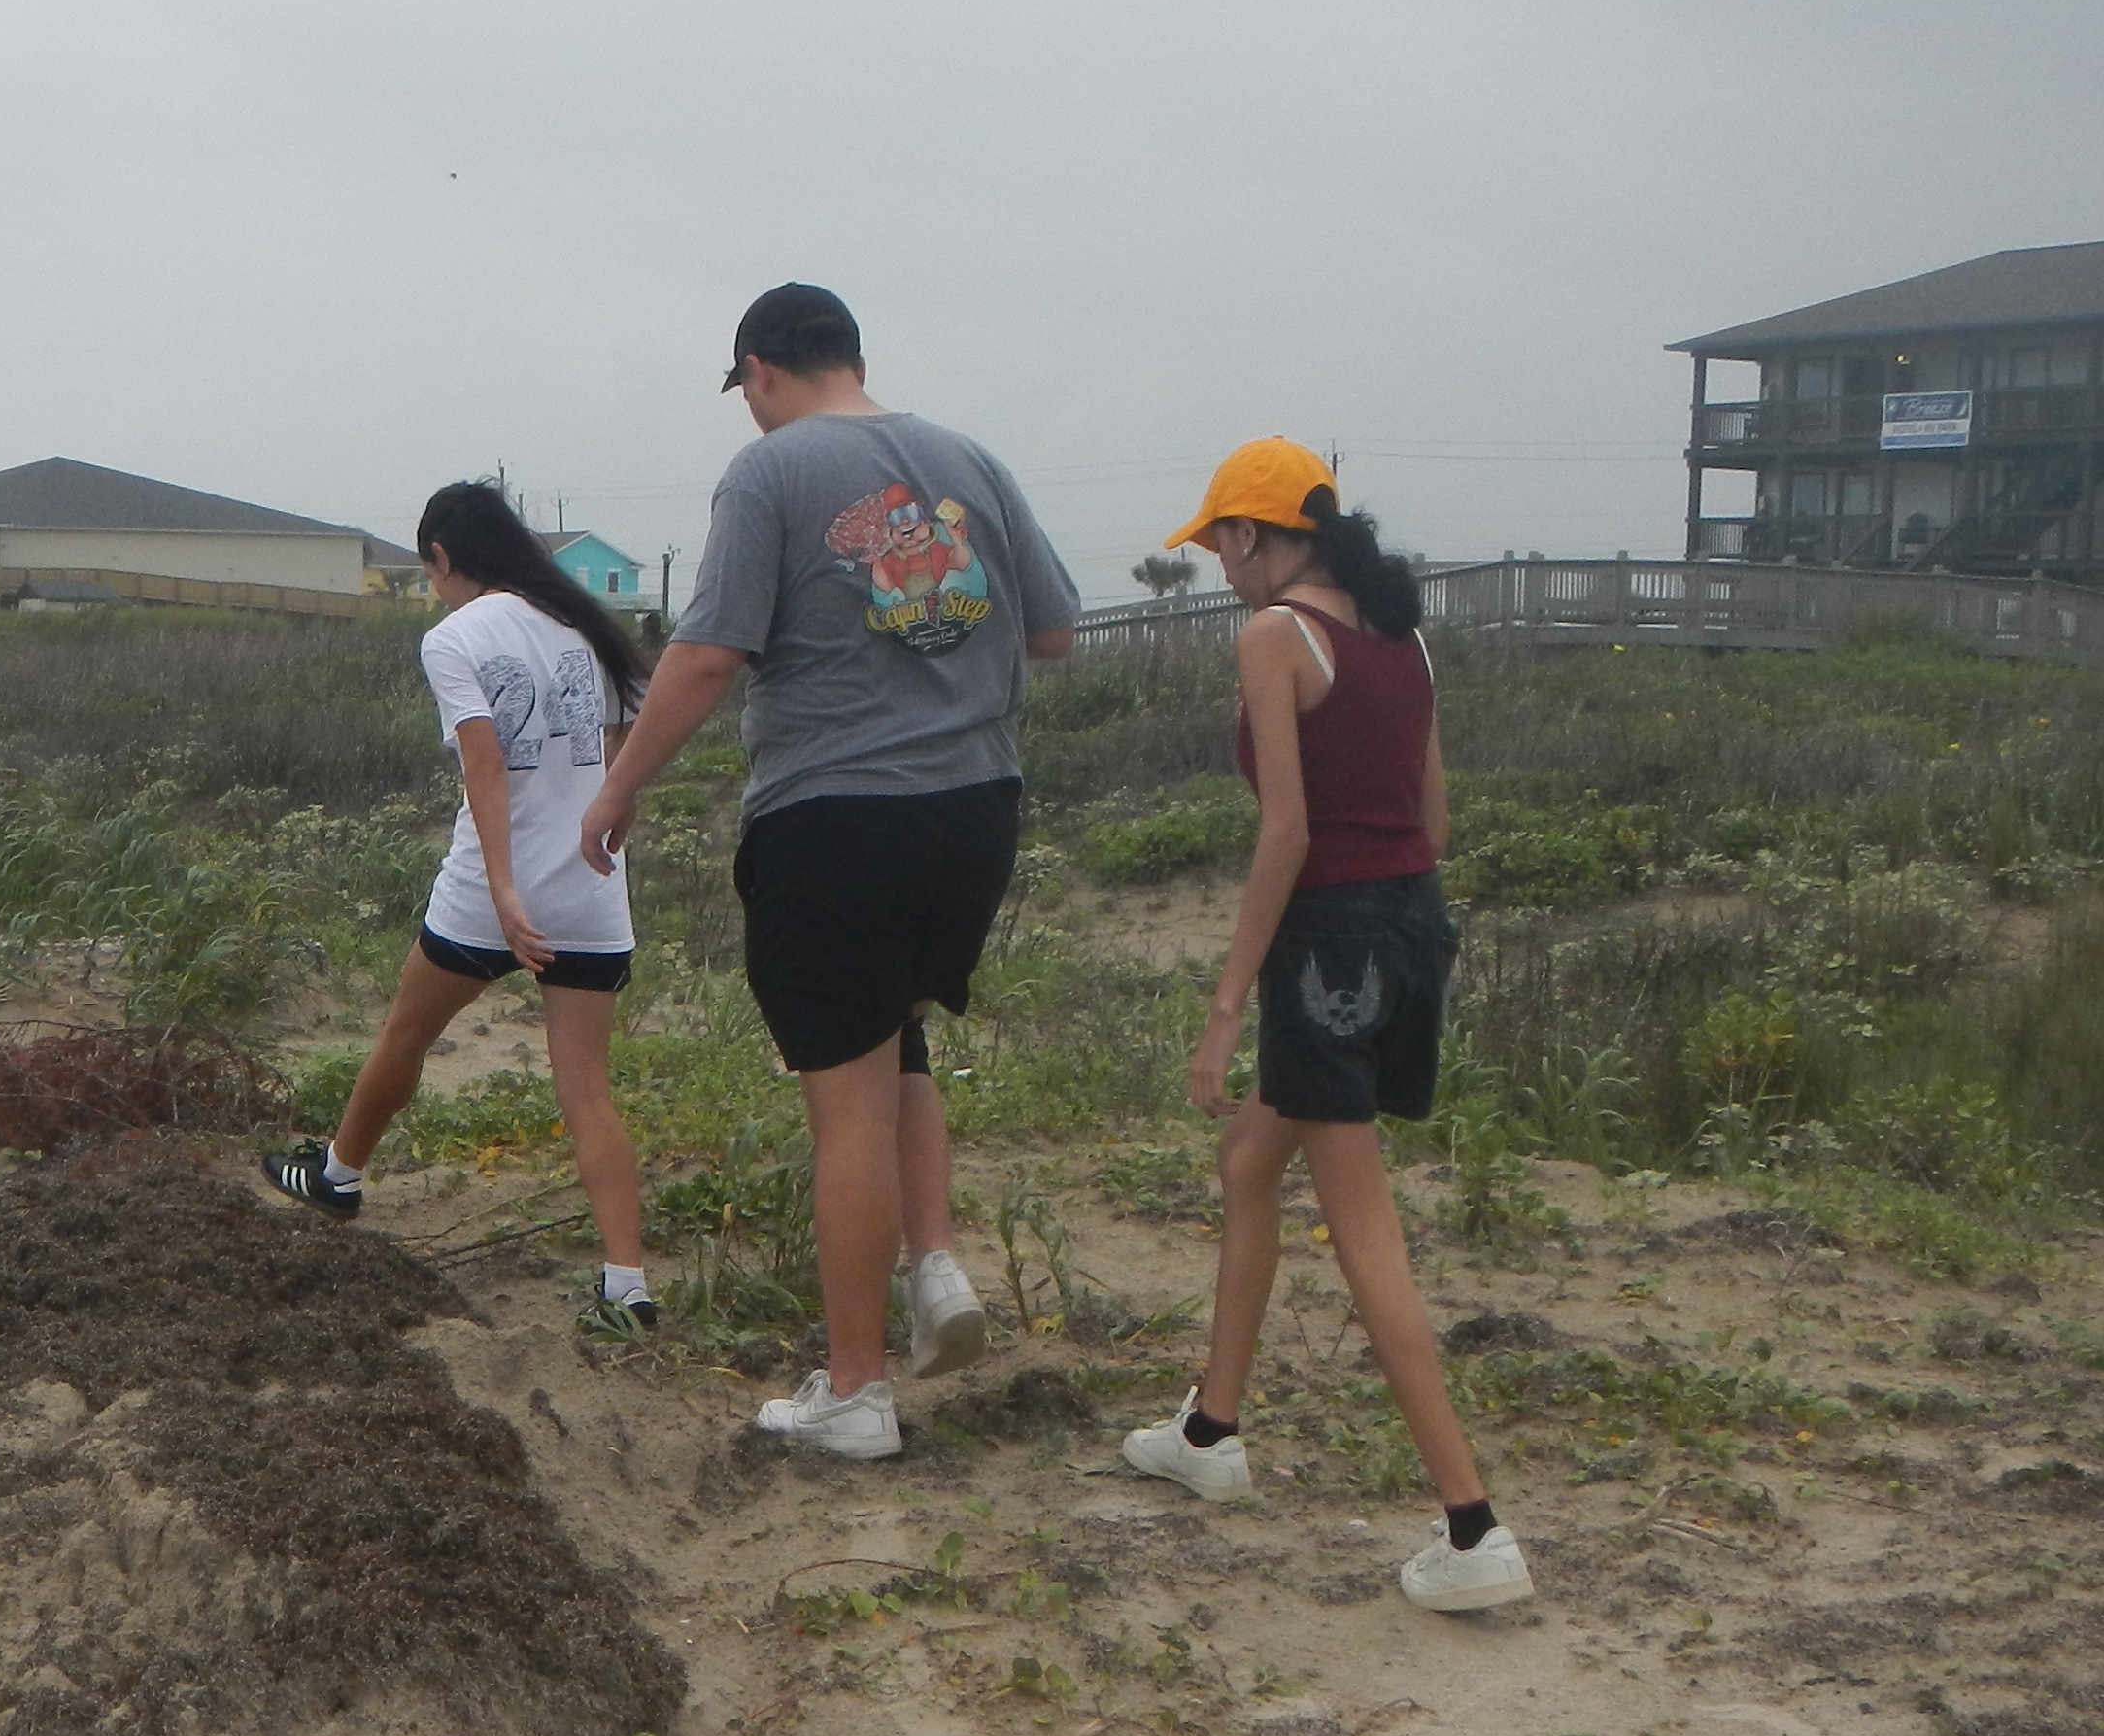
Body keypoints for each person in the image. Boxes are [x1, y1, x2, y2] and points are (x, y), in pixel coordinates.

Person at [578, 285, 1080, 1458]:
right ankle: (936, 1263)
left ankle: (855, 1393)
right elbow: (1051, 632)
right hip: (977, 813)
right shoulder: (970, 459)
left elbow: (706, 657)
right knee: (894, 1041)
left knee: (842, 1104)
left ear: (759, 371)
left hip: (839, 815)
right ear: (851, 357)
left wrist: (619, 785)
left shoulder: (774, 471)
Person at [1121, 437, 1529, 1610]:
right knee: (1250, 1157)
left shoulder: (1274, 638)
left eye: (1219, 547)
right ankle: (1211, 1432)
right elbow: (1434, 817)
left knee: (1365, 1230)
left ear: (1252, 536)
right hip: (1415, 926)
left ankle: (1471, 1530)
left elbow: (1287, 834)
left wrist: (1225, 1004)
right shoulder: (1403, 637)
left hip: (1330, 948)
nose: (1218, 570)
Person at [268, 483, 660, 1334]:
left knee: (406, 1034)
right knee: (587, 1093)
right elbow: (638, 724)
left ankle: (337, 1175)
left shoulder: (455, 637)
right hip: (592, 890)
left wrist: (508, 892)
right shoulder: (585, 622)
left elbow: (484, 767)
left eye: (430, 571)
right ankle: (627, 1287)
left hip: (489, 896)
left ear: (443, 559)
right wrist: (614, 810)